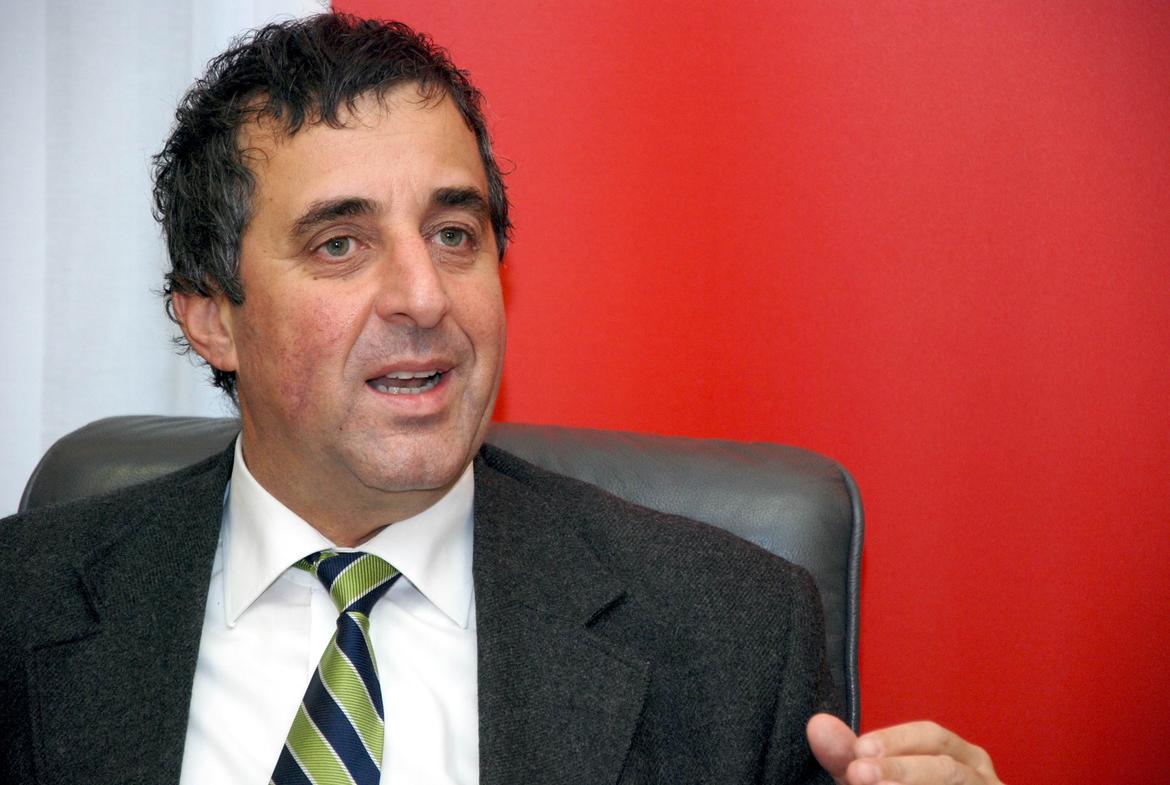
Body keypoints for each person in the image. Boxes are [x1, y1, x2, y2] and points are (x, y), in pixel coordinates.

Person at [0, 13, 1003, 785]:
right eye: (340, 243)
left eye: (455, 234)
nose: (423, 296)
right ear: (213, 317)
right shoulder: (23, 604)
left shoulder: (733, 636)